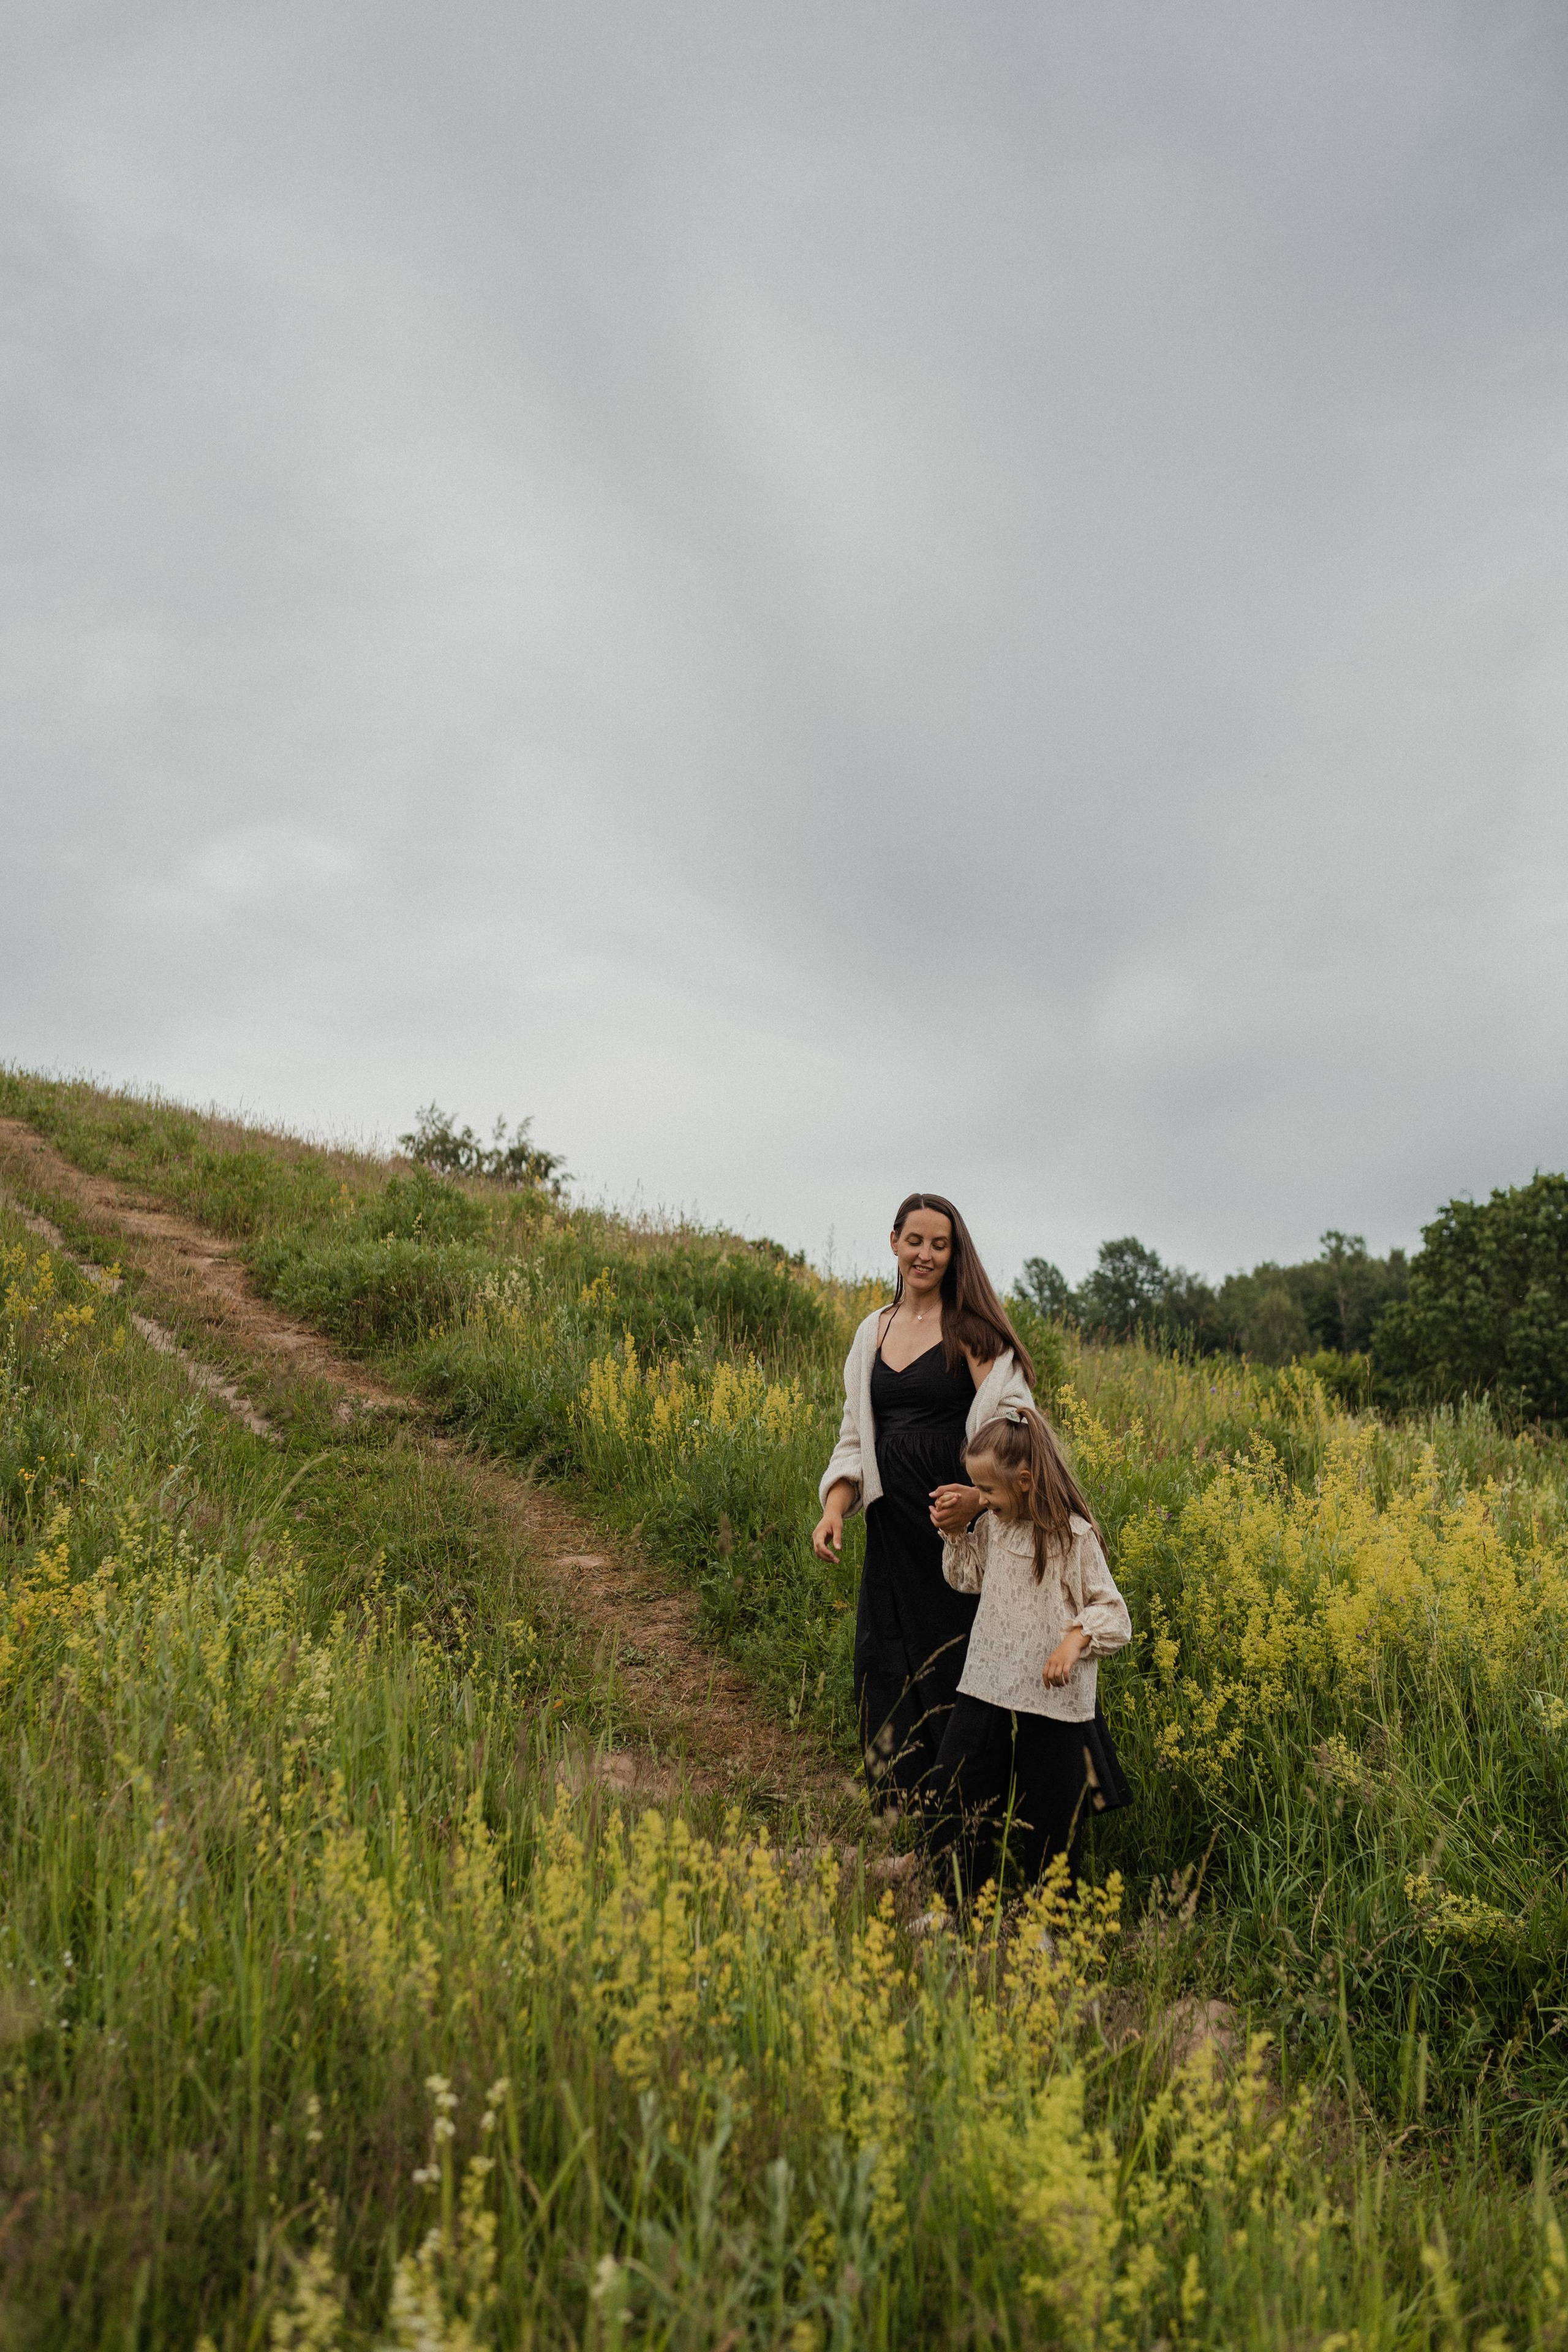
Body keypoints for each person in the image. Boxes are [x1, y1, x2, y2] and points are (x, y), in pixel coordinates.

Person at [813, 1192, 1035, 1808]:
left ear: (954, 1253)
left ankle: (969, 1811)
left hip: (955, 1533)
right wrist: (834, 1508)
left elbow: (1018, 1426)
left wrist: (979, 1501)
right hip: (891, 1526)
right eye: (915, 1241)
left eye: (940, 1245)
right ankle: (900, 1808)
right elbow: (854, 1437)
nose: (925, 1255)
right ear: (894, 1242)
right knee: (886, 1657)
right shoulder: (873, 1330)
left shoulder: (974, 1332)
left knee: (956, 1661)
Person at [926, 1404, 1131, 1894]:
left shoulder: (1073, 1538)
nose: (980, 1499)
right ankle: (955, 1903)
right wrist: (955, 1533)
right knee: (955, 1793)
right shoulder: (995, 1526)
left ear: (1024, 1481)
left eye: (988, 1490)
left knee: (1052, 1818)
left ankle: (1050, 1917)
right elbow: (967, 1578)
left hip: (1052, 1701)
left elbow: (1114, 1613)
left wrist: (1074, 1640)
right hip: (987, 1684)